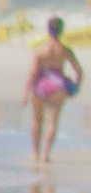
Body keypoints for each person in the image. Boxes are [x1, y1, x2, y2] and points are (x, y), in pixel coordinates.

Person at [28, 16, 78, 162]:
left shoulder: (40, 50)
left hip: (41, 85)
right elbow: (79, 72)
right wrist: (74, 88)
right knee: (53, 122)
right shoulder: (65, 51)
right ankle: (46, 155)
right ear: (62, 30)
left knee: (37, 121)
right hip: (58, 86)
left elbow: (33, 73)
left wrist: (26, 92)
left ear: (48, 30)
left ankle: (36, 154)